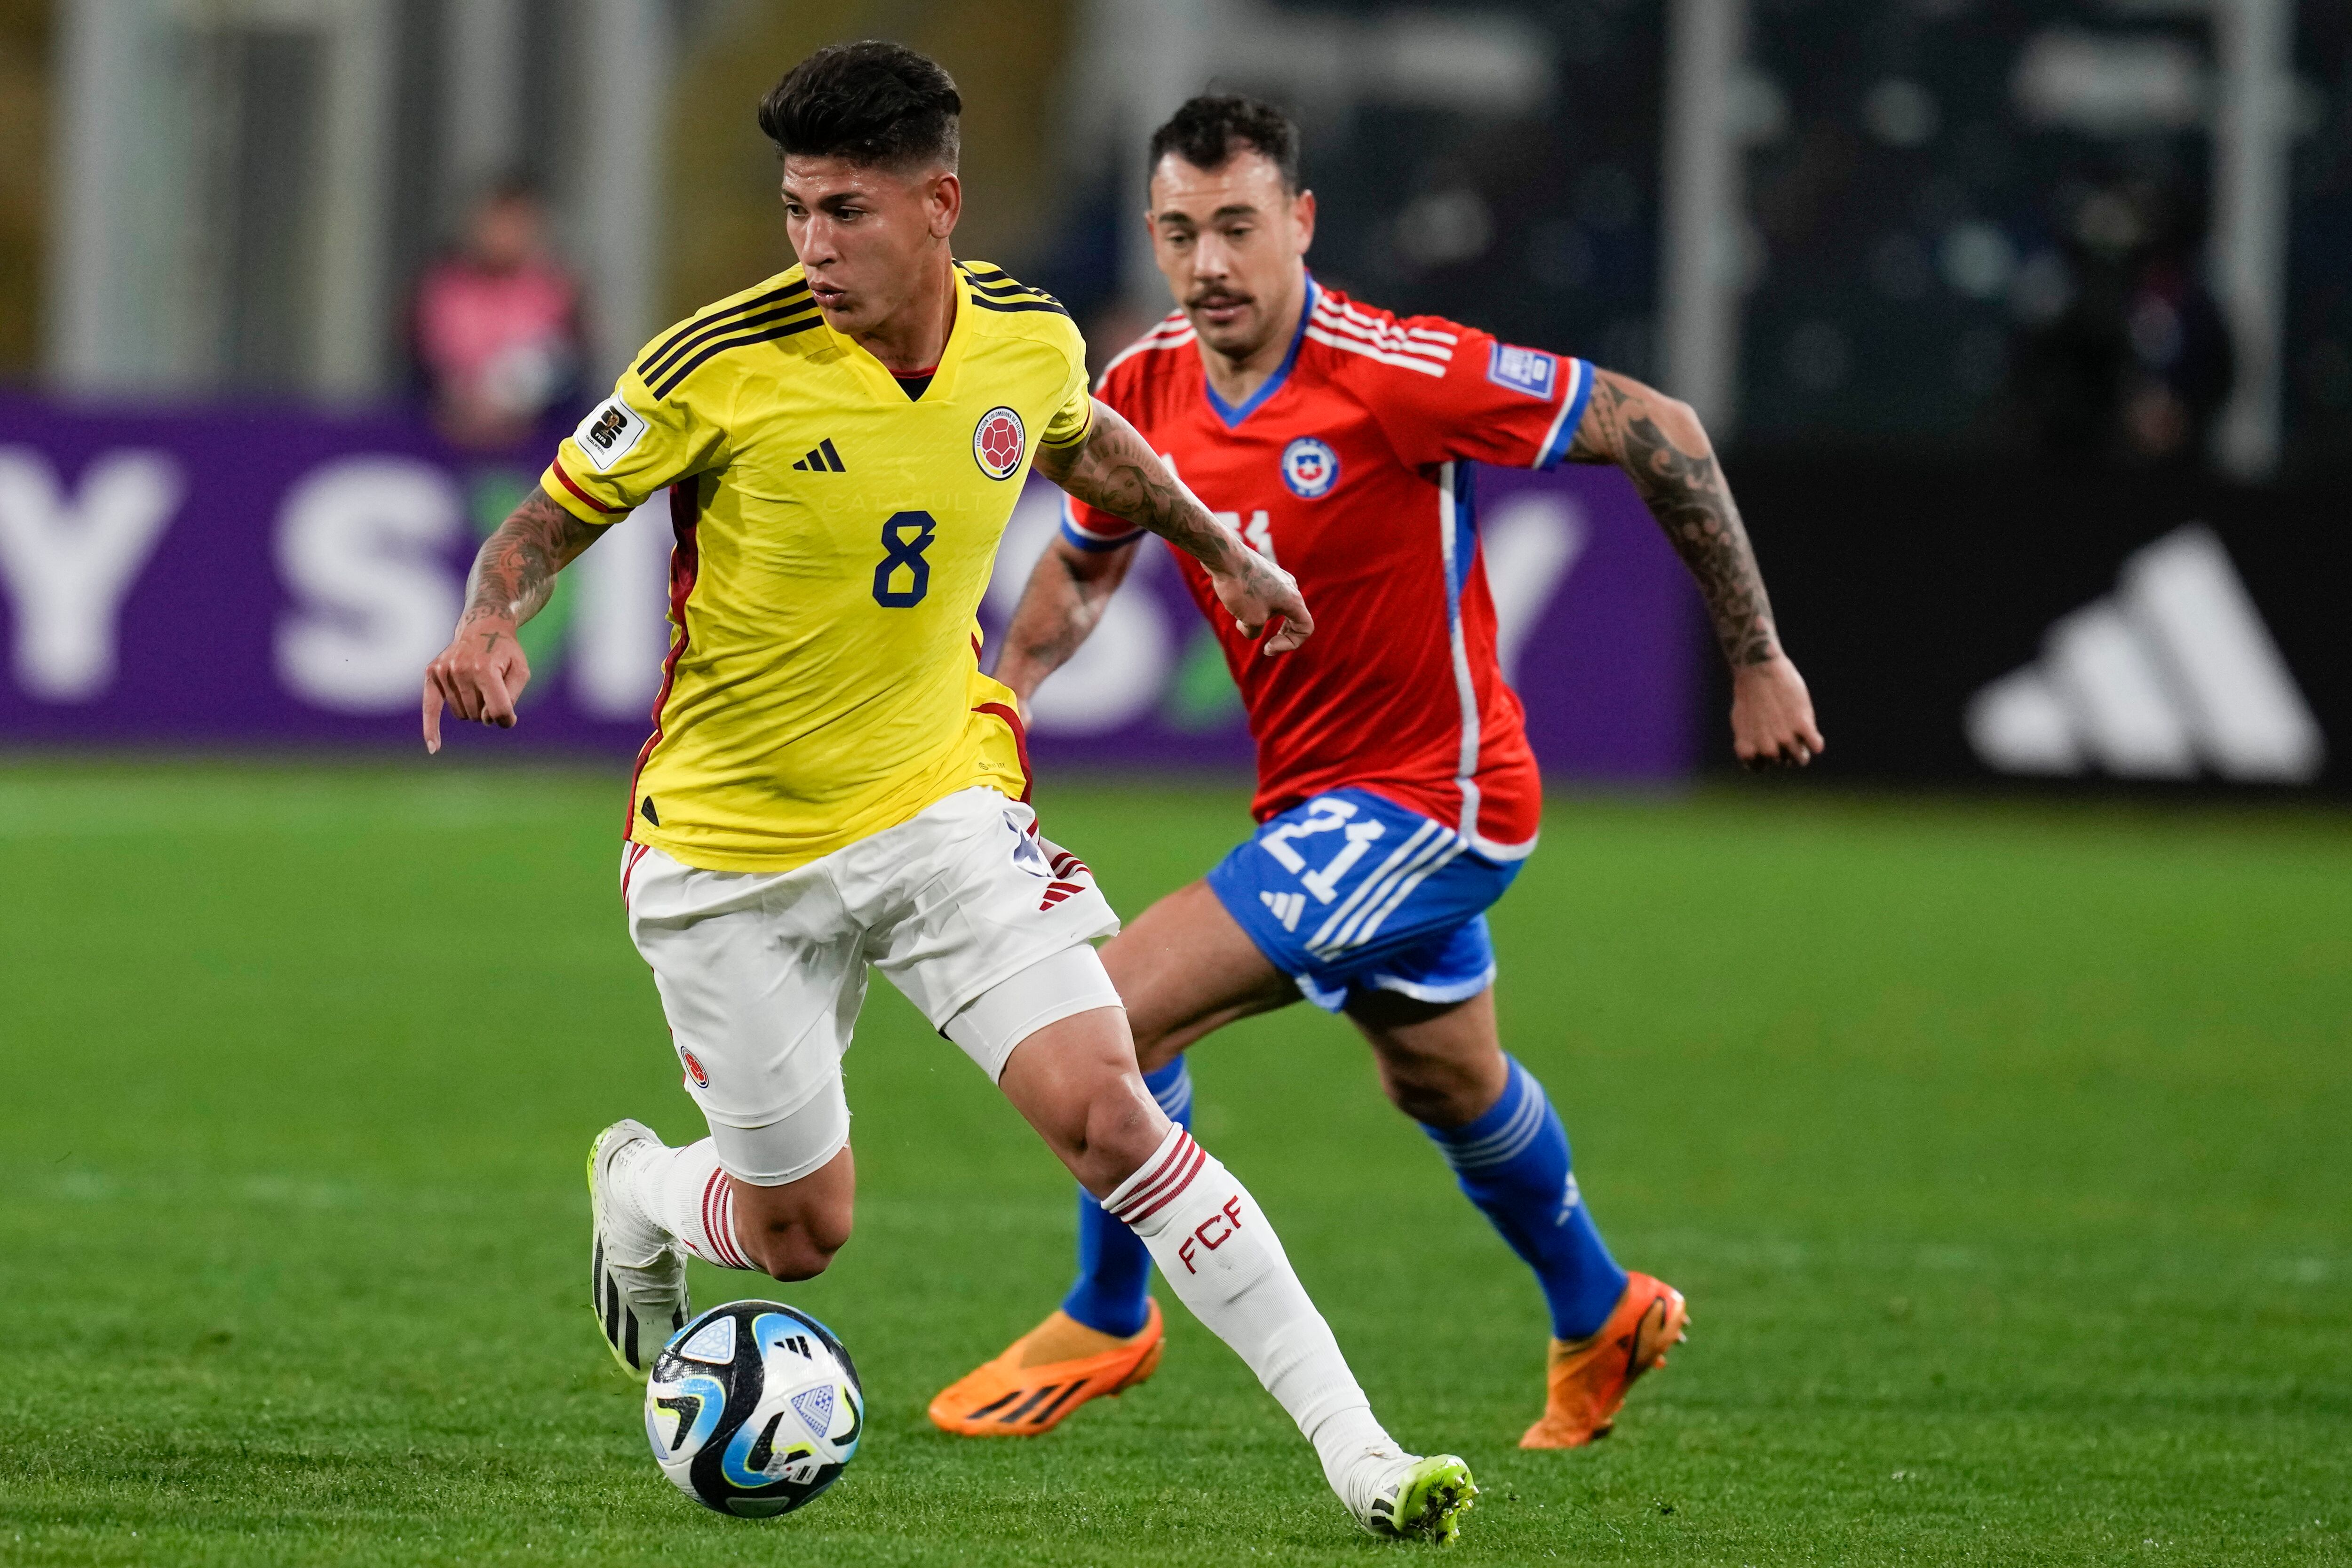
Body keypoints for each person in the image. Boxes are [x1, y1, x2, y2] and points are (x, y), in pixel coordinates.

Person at [417, 46, 1477, 1544]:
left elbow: (1087, 439)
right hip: (730, 855)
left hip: (940, 809)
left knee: (1111, 1119)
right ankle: (648, 1189)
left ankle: (1361, 1451)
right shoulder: (714, 361)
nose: (810, 245)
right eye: (794, 210)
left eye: (842, 211)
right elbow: (545, 516)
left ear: (938, 204)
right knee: (799, 1236)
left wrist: (1217, 546)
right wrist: (482, 622)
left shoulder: (1028, 337)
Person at [929, 96, 1824, 1449]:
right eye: (1179, 232)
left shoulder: (1392, 370)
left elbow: (1661, 426)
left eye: (1237, 226)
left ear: (1299, 222)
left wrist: (1757, 656)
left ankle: (1111, 1314)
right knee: (1446, 1083)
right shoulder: (1147, 387)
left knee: (1108, 1016)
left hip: (1436, 799)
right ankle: (1601, 1307)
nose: (1209, 263)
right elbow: (1086, 560)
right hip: (1316, 803)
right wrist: (1012, 700)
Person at [412, 179, 584, 450]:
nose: (505, 235)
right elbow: (432, 362)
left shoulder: (556, 287)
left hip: (541, 438)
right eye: (497, 224)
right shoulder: (443, 286)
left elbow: (564, 360)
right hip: (450, 432)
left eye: (517, 225)